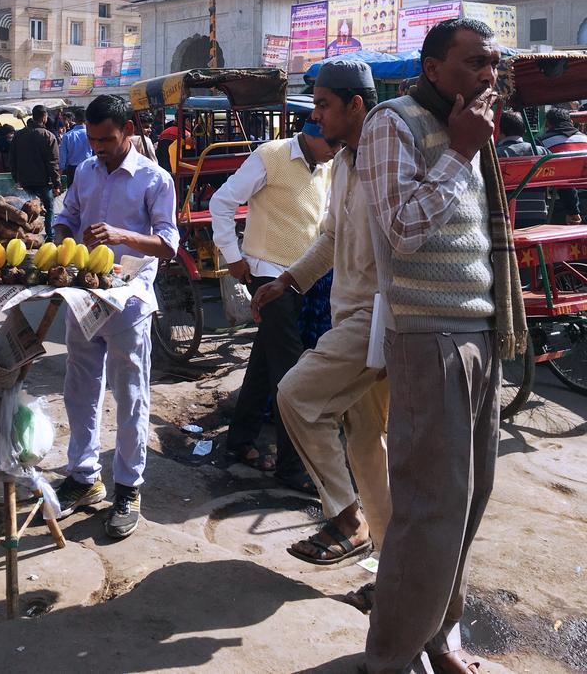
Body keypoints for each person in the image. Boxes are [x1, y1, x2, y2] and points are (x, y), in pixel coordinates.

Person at [357, 18, 526, 674]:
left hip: (481, 331)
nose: (488, 74)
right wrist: (458, 151)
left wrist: (466, 145)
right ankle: (390, 656)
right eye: (473, 61)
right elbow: (401, 229)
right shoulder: (393, 124)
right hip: (427, 336)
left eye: (493, 62)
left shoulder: (472, 131)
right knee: (431, 505)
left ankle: (438, 634)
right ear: (432, 67)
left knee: (469, 497)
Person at [252, 60, 390, 578]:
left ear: (356, 105)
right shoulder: (343, 162)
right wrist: (285, 281)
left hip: (379, 318)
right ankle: (386, 557)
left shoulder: (385, 157)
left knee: (296, 395)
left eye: (325, 105)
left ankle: (345, 515)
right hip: (351, 313)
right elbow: (331, 237)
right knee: (364, 439)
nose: (316, 116)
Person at [53, 94, 178, 539]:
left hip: (129, 303)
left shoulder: (154, 179)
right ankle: (83, 477)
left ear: (127, 131)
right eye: (92, 140)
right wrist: (64, 241)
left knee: (130, 394)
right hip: (85, 296)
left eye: (106, 139)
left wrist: (122, 235)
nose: (98, 148)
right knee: (79, 389)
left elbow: (168, 244)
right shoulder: (85, 170)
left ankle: (128, 486)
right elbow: (66, 215)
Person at [209, 119, 336, 490]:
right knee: (291, 372)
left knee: (266, 364)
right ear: (312, 132)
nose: (336, 148)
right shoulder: (272, 156)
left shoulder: (326, 165)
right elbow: (222, 201)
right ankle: (292, 465)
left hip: (301, 278)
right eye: (331, 141)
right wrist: (232, 255)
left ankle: (239, 441)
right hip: (267, 273)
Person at [9, 105, 61, 240]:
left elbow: (12, 159)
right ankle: (50, 236)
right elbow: (53, 163)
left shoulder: (19, 135)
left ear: (33, 116)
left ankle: (25, 235)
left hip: (24, 181)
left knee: (25, 210)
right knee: (49, 209)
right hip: (43, 182)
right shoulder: (49, 136)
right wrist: (57, 184)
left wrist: (17, 178)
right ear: (44, 118)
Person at [495, 110, 547, 229]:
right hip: (539, 215)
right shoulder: (542, 152)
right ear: (524, 130)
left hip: (507, 217)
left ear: (499, 131)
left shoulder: (497, 155)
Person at [538, 106, 587, 224]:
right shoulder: (585, 139)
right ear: (570, 122)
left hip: (562, 204)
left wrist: (573, 211)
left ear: (547, 124)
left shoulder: (542, 142)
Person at [58, 107, 91, 186]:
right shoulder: (91, 134)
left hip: (72, 170)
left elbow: (62, 158)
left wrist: (59, 175)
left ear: (75, 119)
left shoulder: (67, 136)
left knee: (73, 195)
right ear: (86, 119)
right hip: (89, 168)